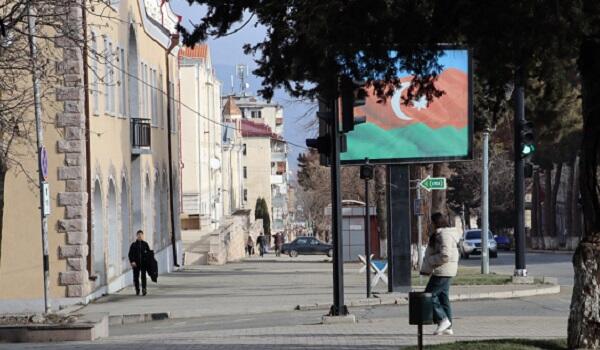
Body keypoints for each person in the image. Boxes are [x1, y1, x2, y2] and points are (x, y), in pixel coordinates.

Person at [420, 212, 461, 336]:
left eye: (431, 223)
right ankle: (448, 327)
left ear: (435, 223)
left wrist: (430, 261)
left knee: (429, 295)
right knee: (443, 298)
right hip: (444, 270)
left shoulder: (445, 235)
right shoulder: (440, 234)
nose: (429, 225)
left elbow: (445, 255)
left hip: (443, 270)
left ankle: (443, 319)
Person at [128, 230, 151, 296]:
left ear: (143, 236)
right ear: (137, 236)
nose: (140, 236)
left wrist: (148, 261)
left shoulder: (145, 244)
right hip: (136, 264)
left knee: (143, 277)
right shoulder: (133, 245)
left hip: (143, 263)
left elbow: (149, 253)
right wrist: (132, 261)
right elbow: (130, 254)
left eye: (141, 235)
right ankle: (137, 289)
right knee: (136, 277)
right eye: (138, 235)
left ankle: (144, 289)